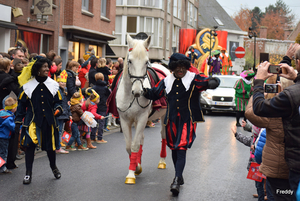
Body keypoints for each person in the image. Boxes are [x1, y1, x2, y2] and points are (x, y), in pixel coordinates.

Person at [143, 53, 220, 196]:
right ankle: (179, 174)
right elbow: (155, 93)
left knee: (181, 146)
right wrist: (142, 91)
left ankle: (177, 180)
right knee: (174, 148)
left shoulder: (194, 79)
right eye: (177, 67)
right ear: (172, 68)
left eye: (183, 67)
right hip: (171, 120)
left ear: (186, 67)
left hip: (187, 119)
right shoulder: (166, 81)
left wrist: (213, 82)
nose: (180, 70)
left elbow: (209, 81)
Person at [252, 44, 300, 201]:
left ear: (298, 63)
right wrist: (296, 77)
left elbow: (257, 108)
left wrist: (259, 81)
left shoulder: (291, 95)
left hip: (291, 167)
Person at [15, 57, 63, 184]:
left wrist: (58, 109)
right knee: (29, 146)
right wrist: (18, 122)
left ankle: (54, 167)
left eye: (48, 66)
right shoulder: (27, 87)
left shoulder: (53, 85)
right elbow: (21, 106)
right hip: (32, 121)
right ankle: (28, 173)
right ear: (37, 70)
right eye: (44, 66)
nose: (47, 69)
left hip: (49, 121)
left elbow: (59, 102)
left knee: (50, 148)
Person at [246, 75, 294, 201]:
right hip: (295, 165)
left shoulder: (277, 113)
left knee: (278, 195)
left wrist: (258, 89)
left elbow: (251, 112)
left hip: (279, 169)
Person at [91, 73, 110, 143]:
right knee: (101, 122)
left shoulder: (94, 88)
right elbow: (109, 95)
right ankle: (100, 138)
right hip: (103, 106)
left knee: (94, 122)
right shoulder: (105, 88)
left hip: (94, 106)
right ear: (103, 79)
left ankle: (92, 137)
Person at [0, 97, 17, 174]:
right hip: (4, 137)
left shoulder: (2, 114)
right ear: (13, 108)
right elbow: (13, 127)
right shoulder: (8, 118)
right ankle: (2, 168)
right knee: (4, 152)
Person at [55, 75, 70, 154]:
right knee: (59, 131)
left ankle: (57, 146)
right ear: (57, 82)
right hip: (60, 114)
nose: (63, 83)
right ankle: (58, 147)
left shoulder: (63, 91)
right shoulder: (58, 91)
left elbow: (66, 104)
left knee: (59, 130)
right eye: (61, 82)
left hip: (63, 113)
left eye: (64, 82)